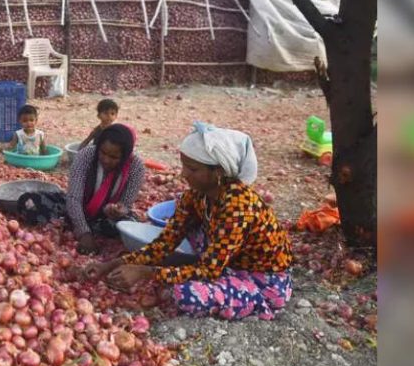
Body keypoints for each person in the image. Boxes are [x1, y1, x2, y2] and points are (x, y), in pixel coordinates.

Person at [77, 121, 294, 321]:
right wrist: (113, 264)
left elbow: (209, 272)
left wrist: (145, 272)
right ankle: (191, 266)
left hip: (262, 279)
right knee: (187, 239)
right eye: (184, 166)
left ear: (217, 172)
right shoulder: (196, 195)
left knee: (187, 296)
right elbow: (165, 243)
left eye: (192, 169)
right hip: (227, 260)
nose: (183, 175)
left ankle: (255, 297)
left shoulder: (238, 206)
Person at [67, 124, 146, 255]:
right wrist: (84, 233)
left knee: (130, 225)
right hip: (80, 208)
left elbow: (126, 203)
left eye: (114, 157)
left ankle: (88, 228)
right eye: (102, 152)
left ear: (125, 155)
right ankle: (80, 225)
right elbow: (73, 198)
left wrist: (117, 210)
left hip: (106, 218)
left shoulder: (136, 167)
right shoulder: (86, 155)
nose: (106, 160)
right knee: (30, 202)